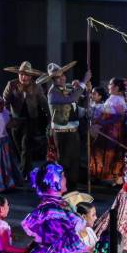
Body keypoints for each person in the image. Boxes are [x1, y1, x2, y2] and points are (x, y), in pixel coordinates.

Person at [39, 61, 92, 190]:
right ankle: (61, 189)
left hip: (73, 132)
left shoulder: (66, 89)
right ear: (53, 79)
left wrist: (86, 90)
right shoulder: (53, 93)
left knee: (75, 161)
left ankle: (72, 189)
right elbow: (71, 99)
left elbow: (74, 104)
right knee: (65, 162)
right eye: (58, 77)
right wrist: (84, 81)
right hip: (62, 133)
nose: (62, 78)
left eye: (62, 75)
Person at [2, 61, 48, 179]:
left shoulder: (36, 86)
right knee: (19, 149)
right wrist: (6, 117)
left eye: (26, 74)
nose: (24, 77)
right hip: (15, 120)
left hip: (30, 120)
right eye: (21, 74)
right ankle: (28, 169)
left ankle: (24, 174)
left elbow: (43, 102)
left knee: (26, 146)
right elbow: (5, 101)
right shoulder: (12, 84)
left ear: (31, 76)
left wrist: (51, 117)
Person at [90, 77, 127, 183]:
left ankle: (112, 177)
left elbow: (120, 117)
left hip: (112, 130)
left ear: (116, 87)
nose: (108, 86)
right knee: (101, 151)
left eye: (110, 84)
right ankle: (100, 174)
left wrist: (104, 122)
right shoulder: (112, 97)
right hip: (106, 129)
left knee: (110, 153)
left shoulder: (119, 99)